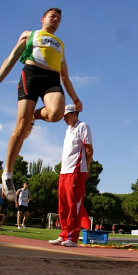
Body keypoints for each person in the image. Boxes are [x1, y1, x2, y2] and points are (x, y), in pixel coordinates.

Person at [0, 8, 83, 202]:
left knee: (56, 113)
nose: (56, 20)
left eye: (59, 19)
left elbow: (65, 77)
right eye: (52, 17)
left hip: (51, 78)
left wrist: (75, 98)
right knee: (20, 128)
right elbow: (12, 58)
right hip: (30, 74)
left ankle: (33, 116)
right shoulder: (29, 34)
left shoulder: (61, 45)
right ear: (43, 19)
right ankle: (7, 174)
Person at [49, 104, 93, 247]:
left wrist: (86, 168)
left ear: (75, 114)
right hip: (64, 171)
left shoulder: (83, 126)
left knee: (74, 204)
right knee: (63, 205)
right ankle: (63, 234)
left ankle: (72, 237)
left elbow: (89, 149)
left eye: (67, 115)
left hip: (76, 170)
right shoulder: (68, 130)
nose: (64, 118)